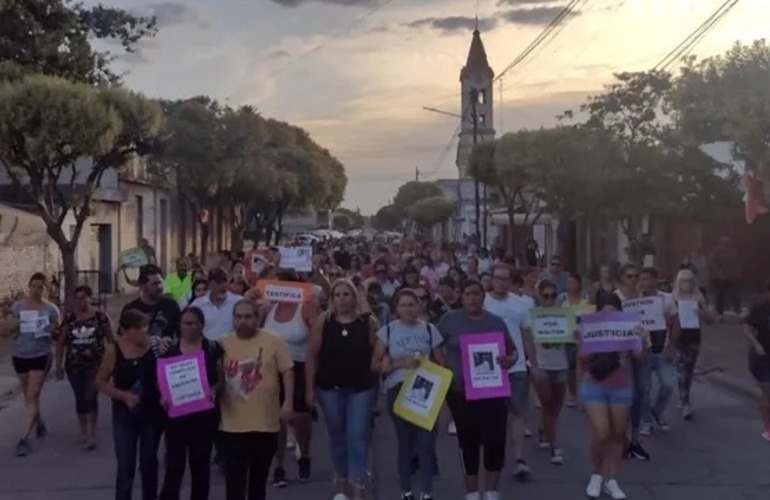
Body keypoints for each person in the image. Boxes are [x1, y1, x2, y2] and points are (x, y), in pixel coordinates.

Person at [437, 279, 517, 500]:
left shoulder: (495, 322)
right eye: (468, 294)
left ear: (484, 297)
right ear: (461, 297)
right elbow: (433, 344)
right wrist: (442, 367)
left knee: (495, 439)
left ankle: (491, 490)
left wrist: (508, 360)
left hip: (492, 390)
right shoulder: (449, 320)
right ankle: (472, 492)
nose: (472, 298)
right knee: (468, 440)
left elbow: (513, 351)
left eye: (477, 294)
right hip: (459, 392)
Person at [306, 279, 378, 500]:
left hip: (361, 389)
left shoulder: (368, 322)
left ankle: (358, 486)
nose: (342, 299)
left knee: (356, 437)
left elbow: (378, 352)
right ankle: (341, 484)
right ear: (331, 298)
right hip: (330, 389)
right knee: (337, 436)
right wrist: (309, 389)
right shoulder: (323, 321)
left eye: (346, 294)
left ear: (354, 297)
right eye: (337, 295)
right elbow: (312, 356)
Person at [371, 289, 445, 500]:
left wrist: (431, 368)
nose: (408, 309)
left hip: (426, 389)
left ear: (419, 306)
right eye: (403, 305)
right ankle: (406, 490)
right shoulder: (387, 332)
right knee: (405, 441)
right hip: (399, 388)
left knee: (426, 442)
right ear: (396, 308)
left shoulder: (430, 330)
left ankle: (426, 491)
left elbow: (441, 361)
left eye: (411, 304)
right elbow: (376, 364)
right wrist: (398, 363)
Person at [219, 300, 294, 500]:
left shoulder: (274, 341)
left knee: (258, 484)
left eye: (248, 317)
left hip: (265, 425)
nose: (243, 321)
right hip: (232, 426)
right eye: (238, 317)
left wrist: (288, 403)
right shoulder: (222, 343)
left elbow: (287, 372)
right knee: (234, 484)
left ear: (257, 318)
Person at [579, 291, 647, 499]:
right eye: (605, 312)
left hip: (621, 386)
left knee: (617, 434)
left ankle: (612, 479)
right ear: (599, 313)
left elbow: (640, 358)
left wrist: (642, 339)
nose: (610, 317)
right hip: (594, 385)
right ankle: (597, 474)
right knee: (601, 433)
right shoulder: (590, 327)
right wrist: (593, 342)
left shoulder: (628, 327)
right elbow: (582, 358)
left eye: (614, 312)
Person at [96, 309, 164, 500]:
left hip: (151, 412)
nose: (145, 334)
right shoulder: (113, 351)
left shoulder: (155, 347)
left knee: (149, 461)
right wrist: (122, 396)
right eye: (140, 330)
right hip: (124, 415)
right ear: (126, 331)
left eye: (146, 329)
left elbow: (167, 373)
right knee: (126, 464)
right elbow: (100, 381)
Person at [264, 271, 321, 487]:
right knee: (276, 420)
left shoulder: (305, 307)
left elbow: (318, 334)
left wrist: (314, 311)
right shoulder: (270, 308)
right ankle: (278, 465)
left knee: (300, 418)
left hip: (299, 367)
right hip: (272, 368)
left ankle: (304, 454)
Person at [158, 307, 220, 500]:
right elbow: (161, 379)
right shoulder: (169, 350)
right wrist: (163, 395)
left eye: (195, 323)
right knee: (174, 468)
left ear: (202, 325)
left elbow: (222, 379)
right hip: (177, 419)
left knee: (200, 469)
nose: (191, 327)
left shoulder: (212, 348)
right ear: (180, 325)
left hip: (203, 419)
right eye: (186, 323)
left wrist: (215, 390)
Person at [483, 263, 535, 480]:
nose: (501, 282)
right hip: (489, 367)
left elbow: (526, 334)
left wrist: (533, 362)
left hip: (517, 366)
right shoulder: (483, 302)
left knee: (517, 411)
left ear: (510, 281)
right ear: (491, 279)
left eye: (505, 279)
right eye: (497, 278)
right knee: (493, 415)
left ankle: (519, 458)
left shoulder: (521, 304)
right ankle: (494, 457)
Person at [2, 272, 61, 456]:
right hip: (20, 355)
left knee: (32, 395)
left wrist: (53, 330)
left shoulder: (51, 309)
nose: (36, 290)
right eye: (33, 286)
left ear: (46, 289)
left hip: (40, 355)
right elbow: (7, 330)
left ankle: (23, 439)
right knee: (29, 393)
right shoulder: (18, 306)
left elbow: (58, 334)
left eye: (40, 287)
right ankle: (39, 422)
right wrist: (13, 326)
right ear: (29, 287)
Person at [55, 285, 113, 450]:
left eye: (83, 297)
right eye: (77, 298)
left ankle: (91, 434)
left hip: (96, 365)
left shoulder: (100, 317)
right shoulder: (70, 318)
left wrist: (112, 364)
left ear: (90, 298)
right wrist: (58, 365)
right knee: (80, 397)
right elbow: (60, 343)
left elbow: (111, 341)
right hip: (74, 365)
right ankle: (83, 430)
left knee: (90, 396)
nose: (80, 301)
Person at [531, 280, 569, 465]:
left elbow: (571, 339)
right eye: (545, 296)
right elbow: (528, 340)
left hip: (561, 365)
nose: (550, 299)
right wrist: (533, 365)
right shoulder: (533, 316)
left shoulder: (564, 315)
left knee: (556, 407)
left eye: (553, 295)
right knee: (547, 405)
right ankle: (555, 444)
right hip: (542, 366)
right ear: (539, 296)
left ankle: (542, 428)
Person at [123, 265, 180, 350]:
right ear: (142, 286)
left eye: (160, 282)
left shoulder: (171, 305)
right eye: (155, 284)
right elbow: (123, 340)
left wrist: (170, 342)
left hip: (165, 358)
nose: (160, 287)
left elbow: (181, 334)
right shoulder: (130, 309)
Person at [741, 280, 770, 441]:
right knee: (767, 391)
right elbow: (746, 327)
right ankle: (768, 427)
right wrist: (756, 344)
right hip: (762, 356)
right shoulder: (761, 310)